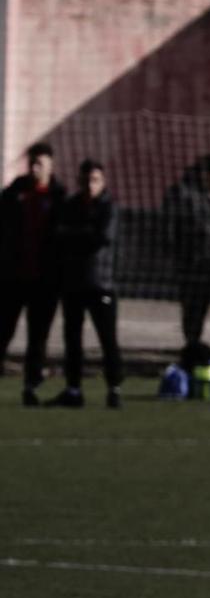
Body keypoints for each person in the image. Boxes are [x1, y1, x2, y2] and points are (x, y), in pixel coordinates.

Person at [50, 159, 123, 409]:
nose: (90, 185)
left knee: (108, 340)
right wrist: (81, 234)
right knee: (72, 339)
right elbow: (58, 236)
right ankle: (73, 390)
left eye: (95, 180)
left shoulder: (109, 207)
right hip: (73, 283)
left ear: (103, 182)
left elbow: (102, 238)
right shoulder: (70, 205)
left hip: (101, 284)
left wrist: (75, 235)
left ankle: (114, 389)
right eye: (86, 180)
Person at [0, 142, 67, 405]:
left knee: (37, 337)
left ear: (51, 164)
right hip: (13, 277)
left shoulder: (59, 197)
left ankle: (31, 386)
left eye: (40, 163)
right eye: (32, 163)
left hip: (45, 280)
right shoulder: (15, 193)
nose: (35, 168)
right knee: (3, 330)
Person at [164, 155, 210, 352]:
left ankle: (194, 338)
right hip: (190, 258)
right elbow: (173, 225)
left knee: (202, 302)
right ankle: (191, 340)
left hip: (208, 259)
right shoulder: (182, 193)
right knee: (191, 302)